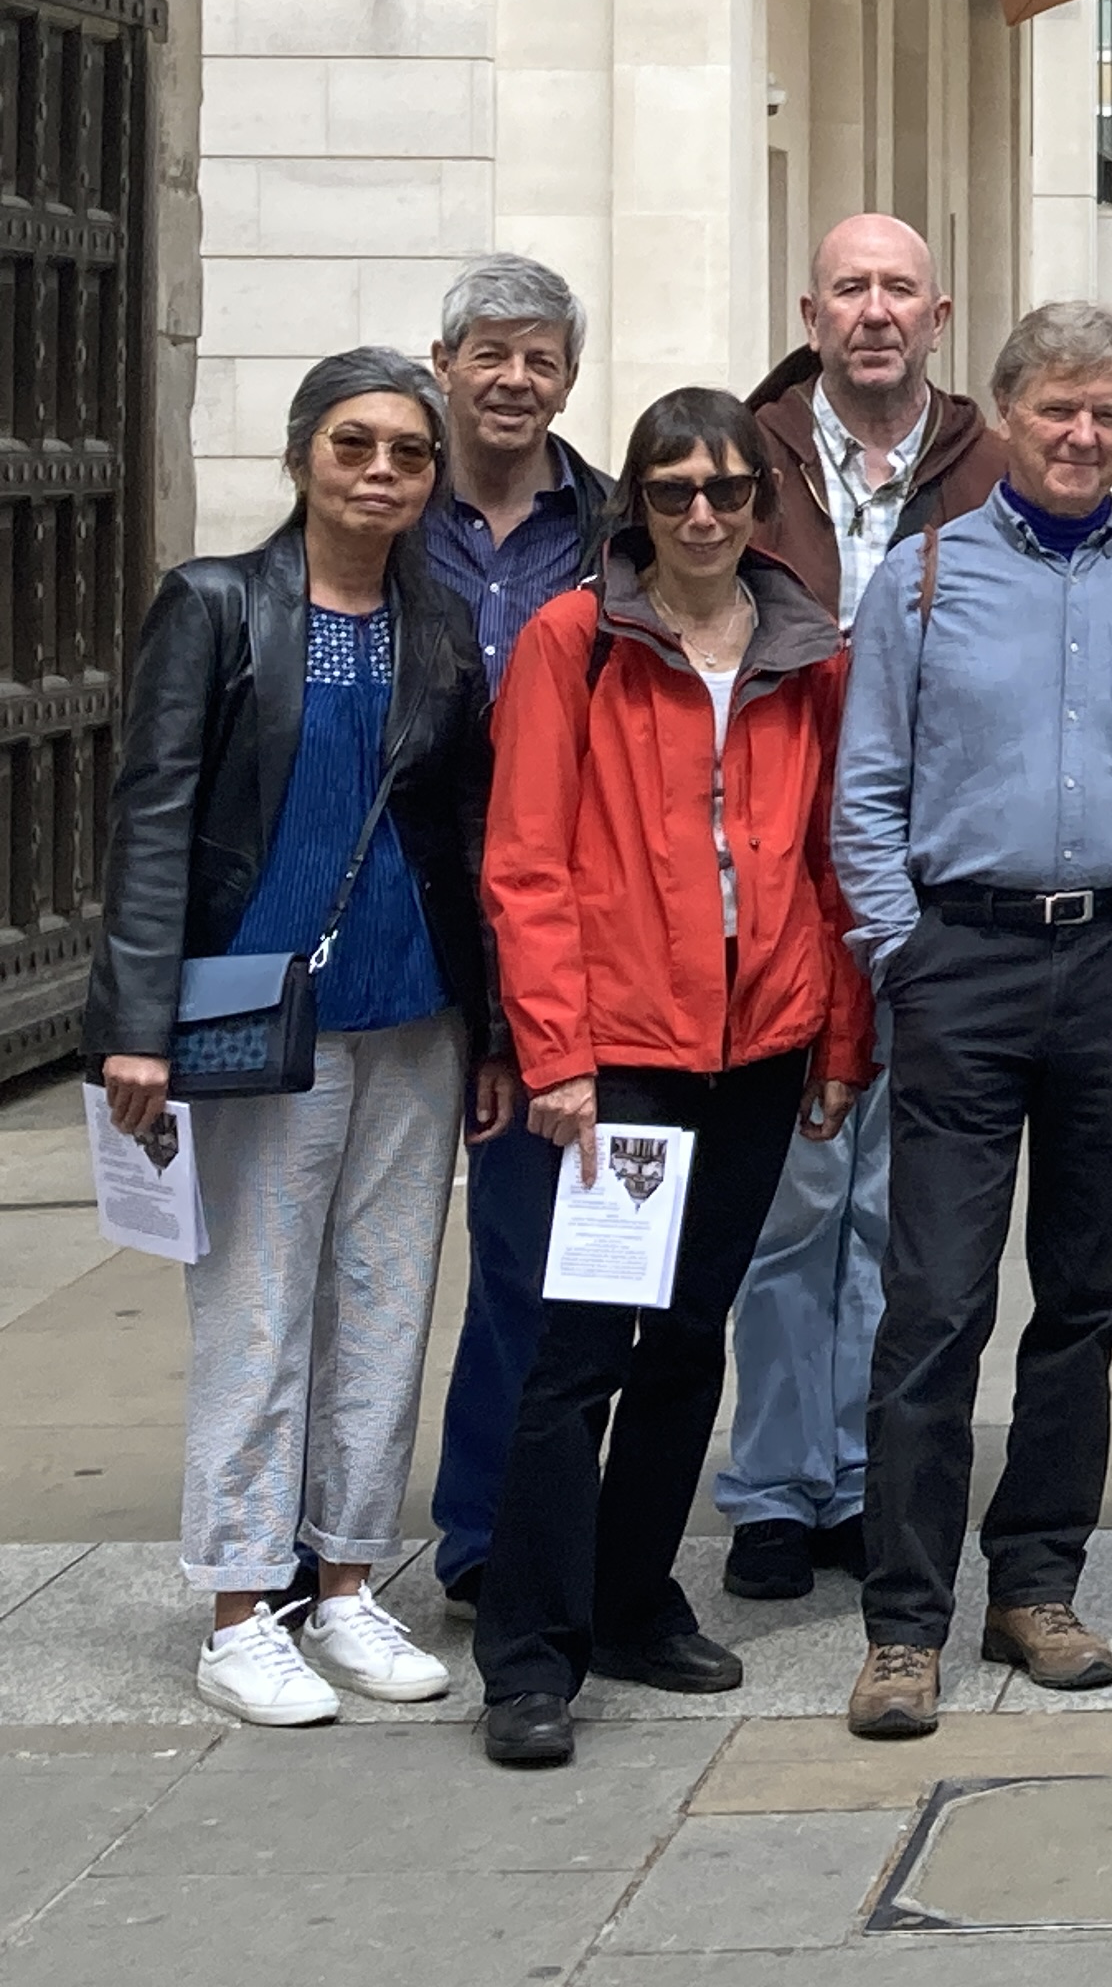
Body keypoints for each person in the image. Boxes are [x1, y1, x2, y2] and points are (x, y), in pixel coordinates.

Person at [829, 302, 1112, 1740]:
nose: (1083, 436)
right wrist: (899, 948)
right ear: (1004, 412)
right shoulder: (924, 578)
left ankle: (1036, 1583)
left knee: (1086, 1299)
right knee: (936, 1303)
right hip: (966, 962)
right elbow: (867, 785)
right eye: (1058, 409)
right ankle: (901, 1624)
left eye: (1108, 415)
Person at [91, 349, 502, 1726]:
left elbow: (465, 837)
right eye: (354, 445)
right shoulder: (216, 606)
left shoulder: (438, 626)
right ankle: (235, 1604)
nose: (380, 471)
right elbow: (154, 816)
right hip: (257, 1020)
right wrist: (134, 1023)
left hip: (415, 1014)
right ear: (300, 458)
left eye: (407, 453)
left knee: (387, 1308)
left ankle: (342, 1583)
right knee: (260, 1313)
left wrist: (496, 1028)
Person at [471, 391, 868, 1766]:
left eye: (728, 490)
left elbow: (835, 860)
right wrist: (557, 1057)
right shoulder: (571, 642)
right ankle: (531, 1651)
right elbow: (524, 864)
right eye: (674, 489)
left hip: (757, 1050)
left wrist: (840, 1039)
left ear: (764, 504)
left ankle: (638, 1597)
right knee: (580, 1357)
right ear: (635, 503)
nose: (703, 514)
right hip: (622, 1059)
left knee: (694, 1338)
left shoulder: (811, 652)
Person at [718, 214, 1007, 1606]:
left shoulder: (990, 470)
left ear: (938, 314)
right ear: (811, 309)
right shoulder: (741, 465)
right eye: (851, 289)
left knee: (906, 1209)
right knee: (792, 1200)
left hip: (944, 891)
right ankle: (779, 1485)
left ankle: (874, 1472)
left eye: (898, 288)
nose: (875, 311)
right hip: (779, 886)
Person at [420, 255, 616, 1609]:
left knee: (524, 1262)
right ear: (445, 363)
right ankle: (307, 1534)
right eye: (491, 352)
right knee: (343, 1267)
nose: (514, 379)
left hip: (537, 932)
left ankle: (490, 1534)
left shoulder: (605, 531)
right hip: (400, 916)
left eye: (540, 357)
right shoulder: (379, 504)